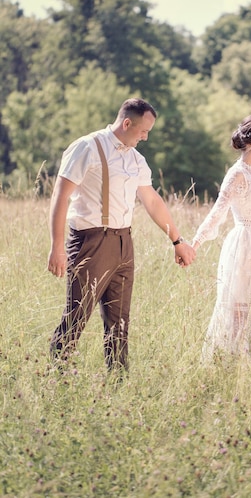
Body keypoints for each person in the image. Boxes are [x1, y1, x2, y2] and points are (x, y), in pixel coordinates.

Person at [48, 97, 195, 372]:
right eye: (143, 131)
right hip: (90, 242)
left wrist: (177, 241)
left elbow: (152, 201)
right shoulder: (88, 147)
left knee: (120, 321)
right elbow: (61, 195)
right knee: (77, 316)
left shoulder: (137, 159)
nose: (146, 137)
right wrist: (57, 247)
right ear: (127, 123)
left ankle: (118, 383)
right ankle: (56, 377)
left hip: (123, 243)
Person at [192, 115, 251, 362]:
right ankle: (231, 363)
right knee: (240, 311)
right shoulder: (237, 173)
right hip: (244, 245)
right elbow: (218, 211)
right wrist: (195, 243)